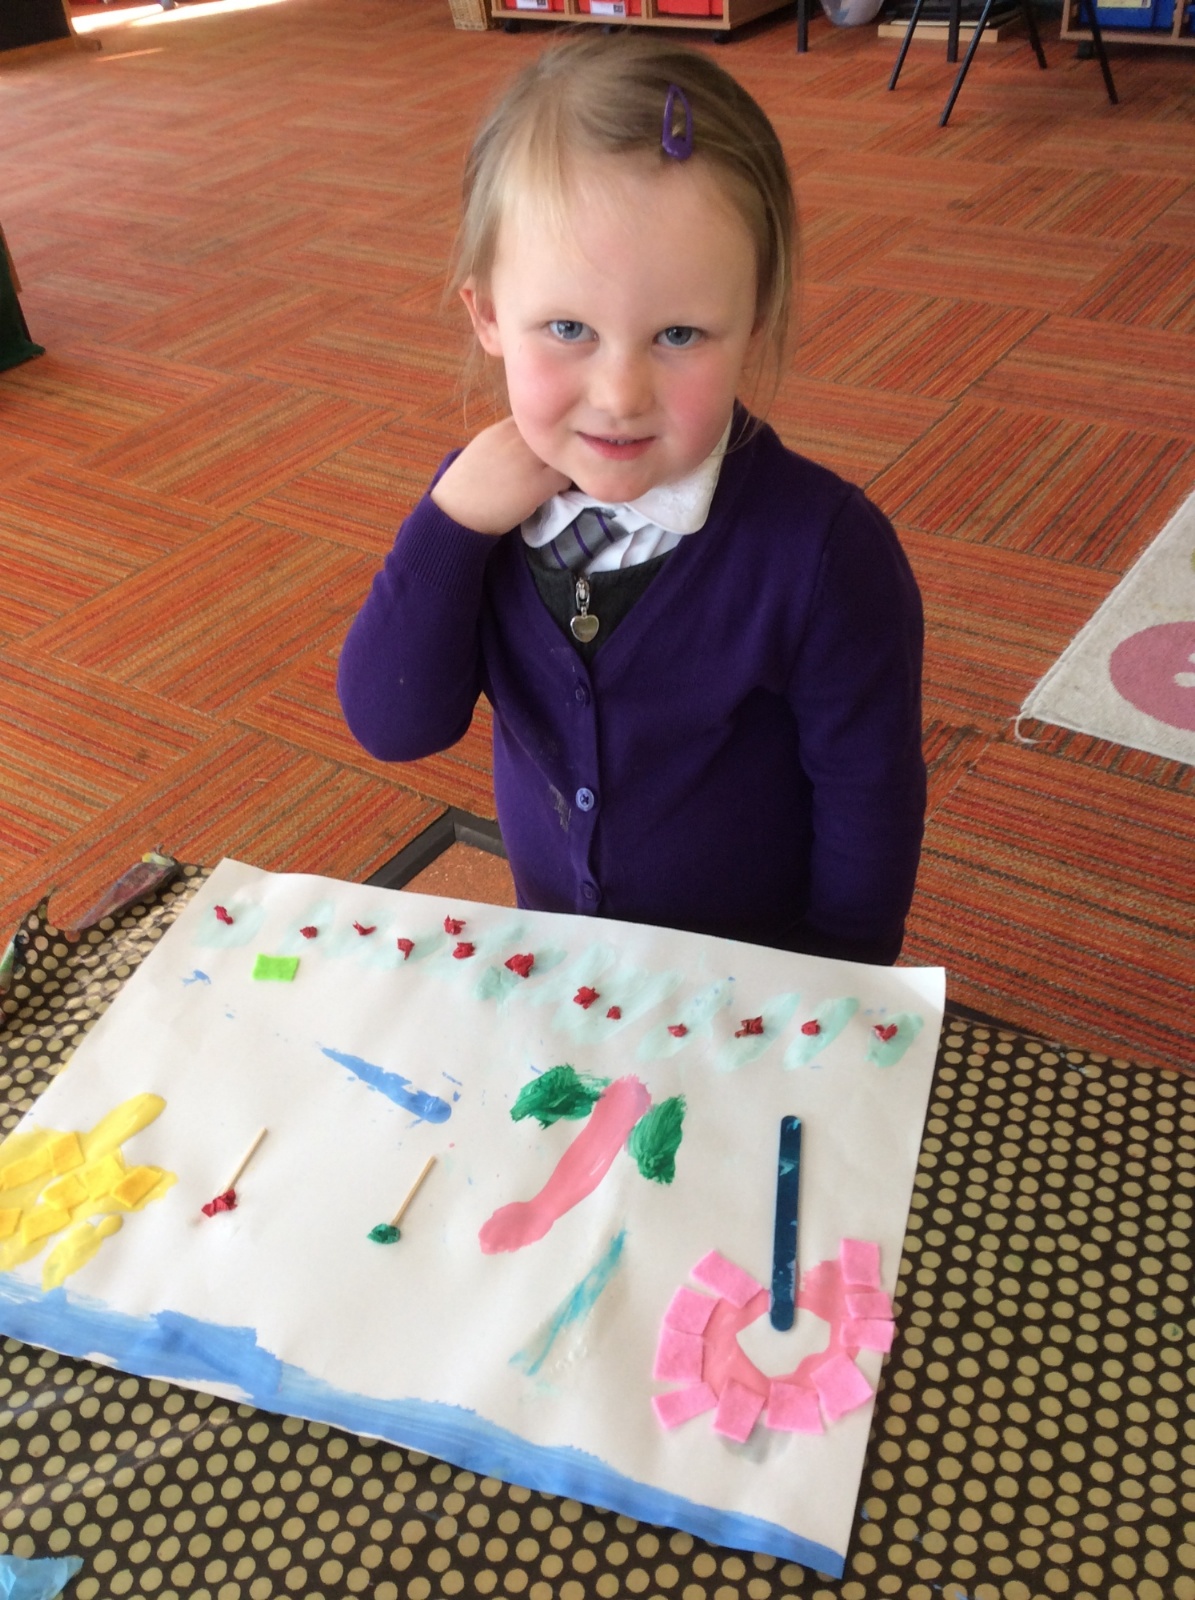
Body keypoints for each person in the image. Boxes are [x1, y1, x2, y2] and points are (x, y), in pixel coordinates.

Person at [338, 33, 925, 966]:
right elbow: (392, 723)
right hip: (561, 961)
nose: (619, 395)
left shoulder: (821, 551)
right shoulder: (480, 507)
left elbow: (869, 794)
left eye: (679, 334)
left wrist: (840, 980)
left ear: (754, 318)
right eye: (568, 327)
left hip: (751, 979)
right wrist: (448, 528)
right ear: (486, 315)